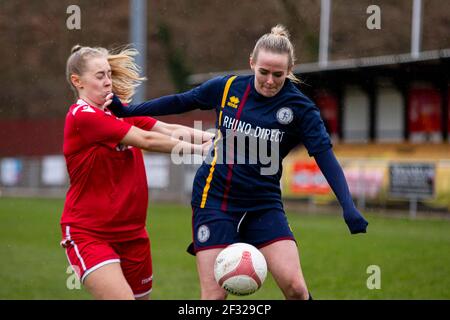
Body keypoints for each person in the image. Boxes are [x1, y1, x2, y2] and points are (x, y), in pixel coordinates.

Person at [108, 25, 369, 300]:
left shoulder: (301, 110)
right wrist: (128, 111)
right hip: (215, 200)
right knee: (214, 296)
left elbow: (326, 159)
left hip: (263, 203)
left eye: (278, 75)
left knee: (296, 288)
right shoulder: (228, 87)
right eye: (263, 72)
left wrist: (348, 206)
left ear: (290, 69)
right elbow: (180, 101)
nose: (270, 81)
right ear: (251, 63)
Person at [60, 45, 213, 300]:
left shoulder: (118, 111)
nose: (108, 81)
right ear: (78, 81)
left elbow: (165, 129)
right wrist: (204, 152)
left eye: (109, 74)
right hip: (89, 233)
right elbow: (147, 139)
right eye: (100, 76)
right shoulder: (82, 116)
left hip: (134, 235)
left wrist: (217, 141)